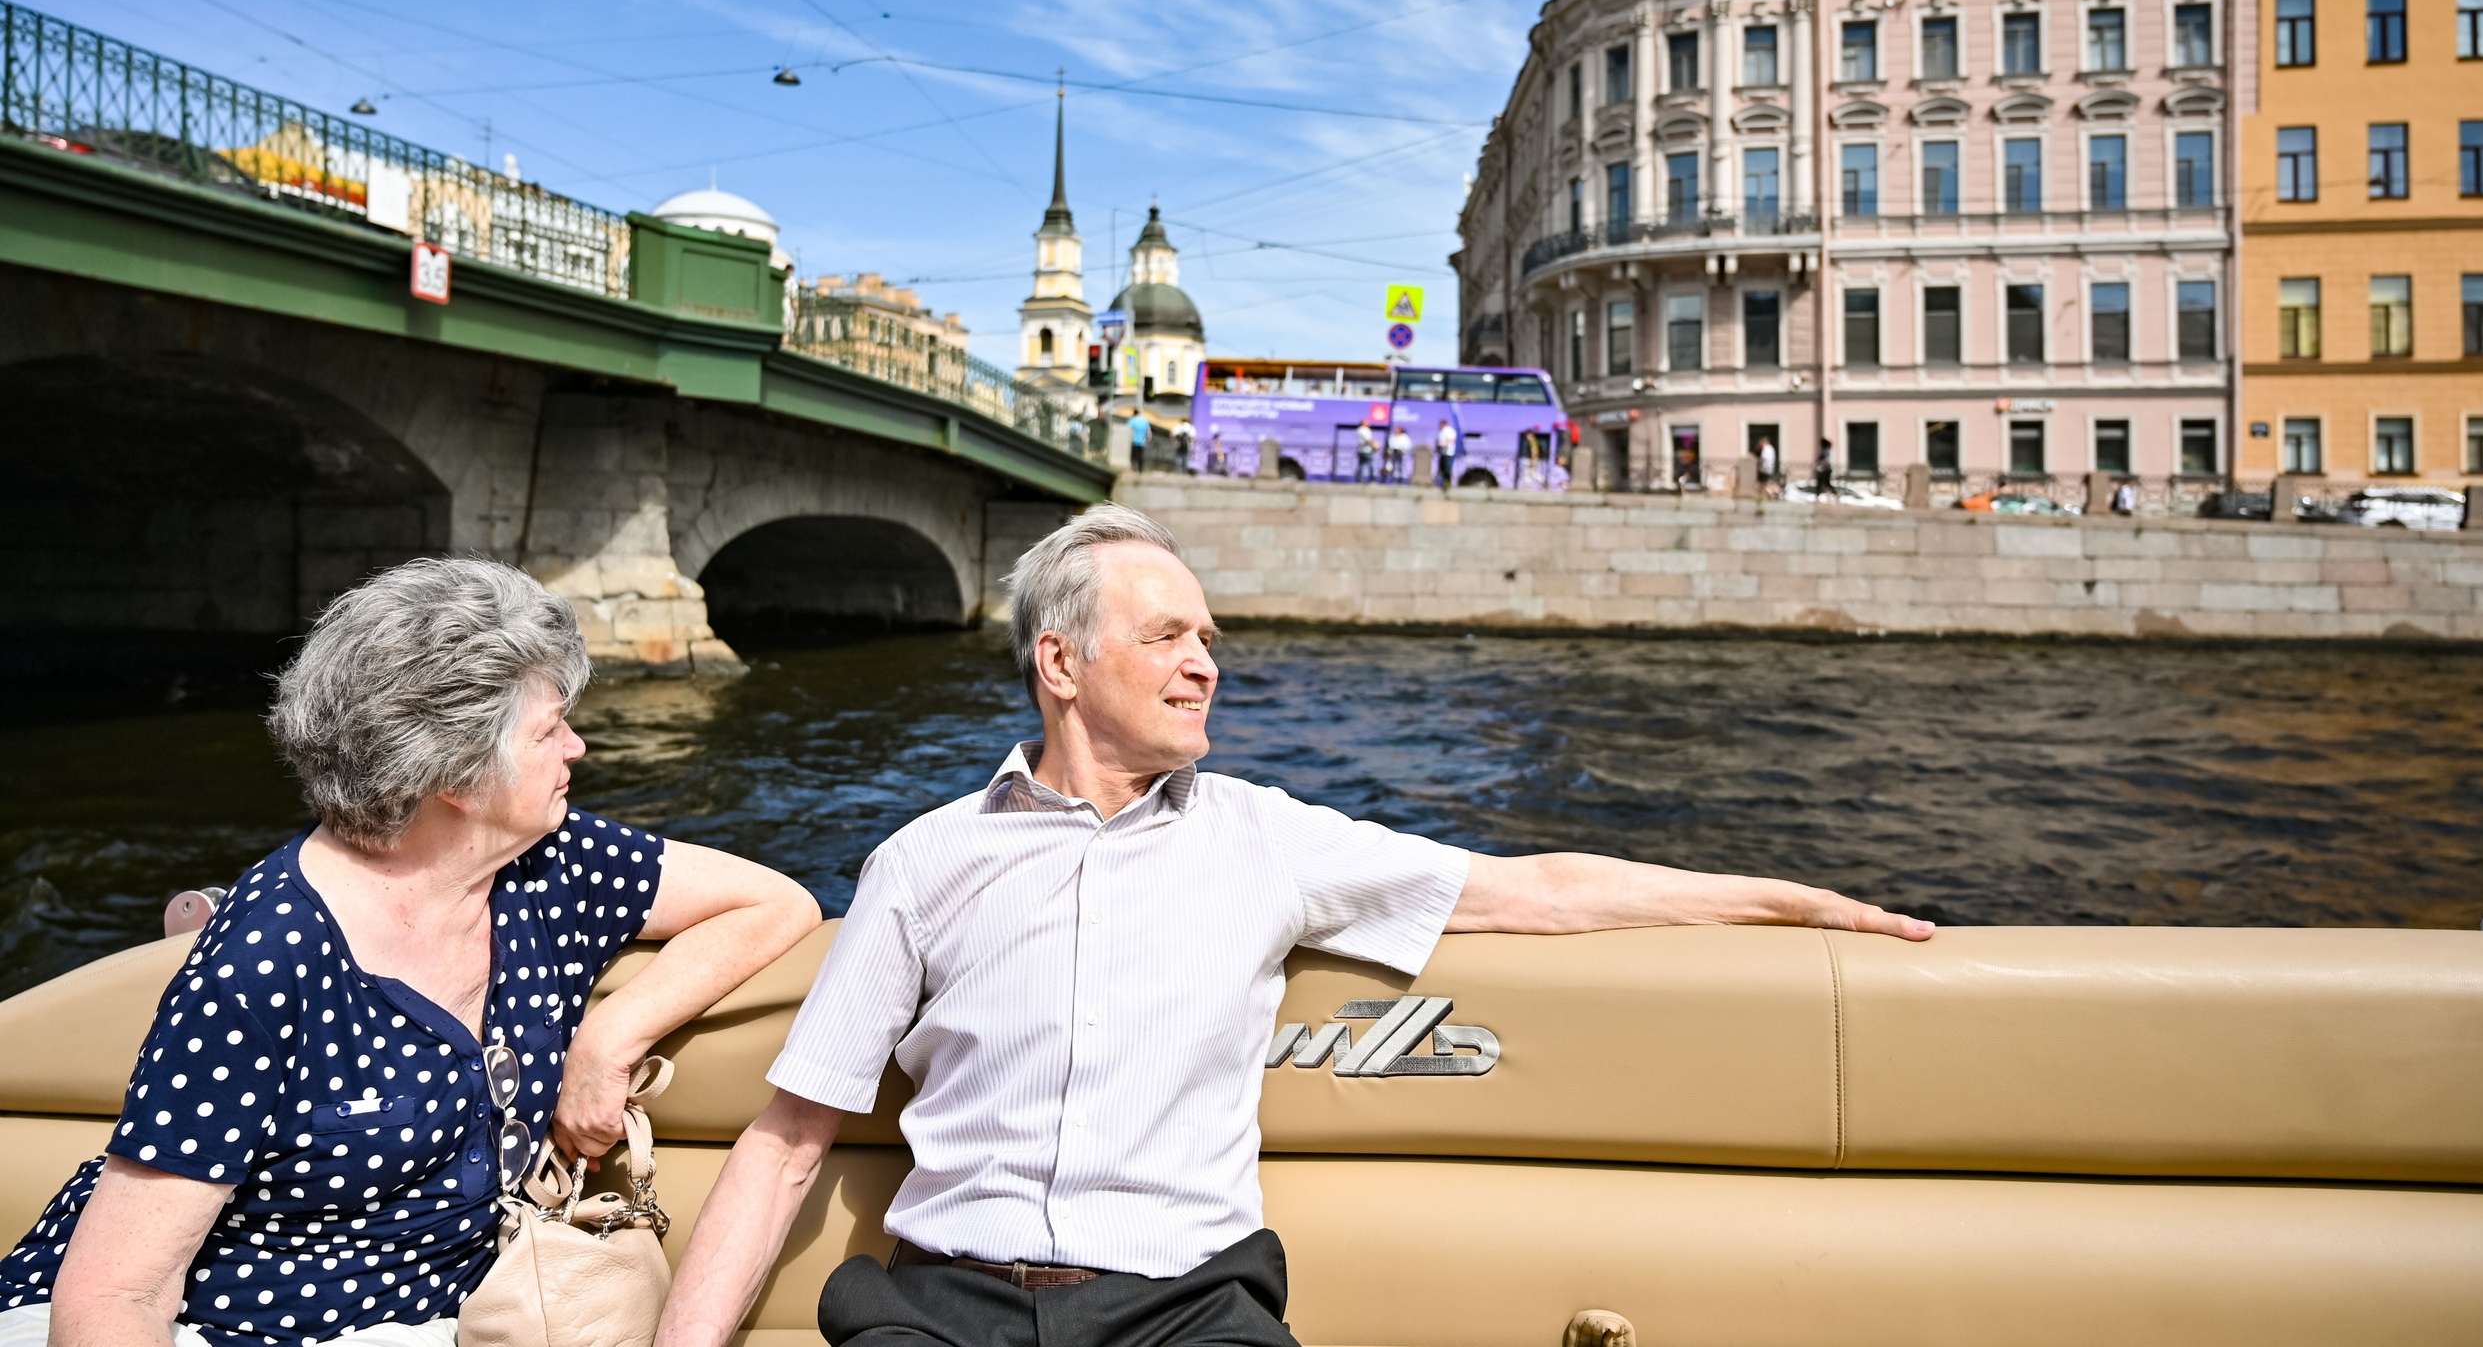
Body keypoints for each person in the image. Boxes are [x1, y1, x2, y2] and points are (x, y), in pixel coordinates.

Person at [655, 507, 1930, 1347]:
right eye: (1167, 636)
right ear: (1060, 663)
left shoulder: (1265, 836)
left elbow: (1534, 888)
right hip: (939, 1302)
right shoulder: (922, 861)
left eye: (1209, 637)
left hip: (1185, 1308)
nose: (1207, 660)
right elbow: (783, 1143)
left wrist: (1785, 898)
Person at [0, 558, 820, 1347]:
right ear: (457, 777)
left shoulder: (548, 860)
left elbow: (777, 902)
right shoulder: (267, 958)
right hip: (220, 1324)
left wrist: (606, 1042)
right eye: (550, 728)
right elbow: (118, 1294)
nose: (576, 748)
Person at [1434, 418, 1459, 490]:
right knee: (1441, 468)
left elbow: (1451, 440)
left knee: (1447, 468)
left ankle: (1447, 482)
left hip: (1448, 452)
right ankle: (1440, 482)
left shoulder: (1449, 431)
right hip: (1443, 452)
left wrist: (1442, 444)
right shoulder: (1442, 431)